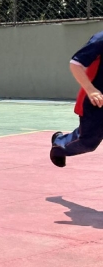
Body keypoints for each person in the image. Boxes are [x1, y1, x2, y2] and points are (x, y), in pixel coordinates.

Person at [51, 31, 103, 167]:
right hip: (96, 102)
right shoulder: (100, 39)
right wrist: (91, 90)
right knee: (87, 143)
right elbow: (75, 64)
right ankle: (59, 143)